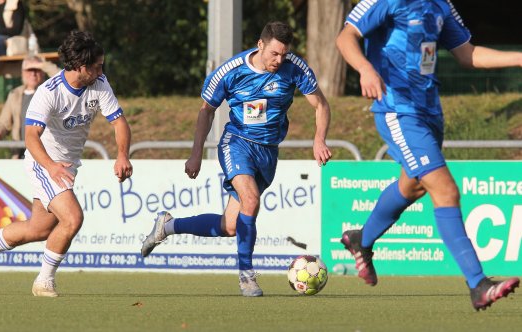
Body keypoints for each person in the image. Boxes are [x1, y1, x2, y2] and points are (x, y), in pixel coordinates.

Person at [335, 0, 521, 311]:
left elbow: (468, 53)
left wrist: (518, 58)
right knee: (445, 190)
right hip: (398, 109)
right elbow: (345, 37)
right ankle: (478, 284)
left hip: (430, 111)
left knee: (413, 186)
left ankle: (361, 239)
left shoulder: (440, 5)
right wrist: (365, 68)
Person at [140, 21, 332, 297]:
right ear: (260, 45)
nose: (279, 60)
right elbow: (206, 111)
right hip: (237, 143)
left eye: (283, 54)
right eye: (273, 54)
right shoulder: (230, 72)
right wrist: (196, 154)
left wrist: (319, 139)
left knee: (230, 225)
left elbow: (321, 105)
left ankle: (167, 226)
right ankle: (246, 276)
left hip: (268, 151)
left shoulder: (295, 68)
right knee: (251, 199)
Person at [0, 30, 133, 297]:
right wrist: (50, 166)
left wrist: (122, 155)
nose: (101, 70)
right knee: (73, 218)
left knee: (38, 229)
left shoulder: (100, 83)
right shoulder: (48, 92)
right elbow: (30, 136)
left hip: (66, 166)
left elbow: (119, 122)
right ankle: (44, 281)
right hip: (43, 162)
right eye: (97, 66)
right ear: (81, 67)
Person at [0, 55, 59, 158]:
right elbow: (4, 122)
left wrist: (43, 64)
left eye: (37, 70)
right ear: (22, 73)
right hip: (21, 154)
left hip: (47, 155)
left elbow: (64, 78)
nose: (33, 74)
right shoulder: (14, 94)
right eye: (29, 70)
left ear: (43, 71)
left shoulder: (50, 92)